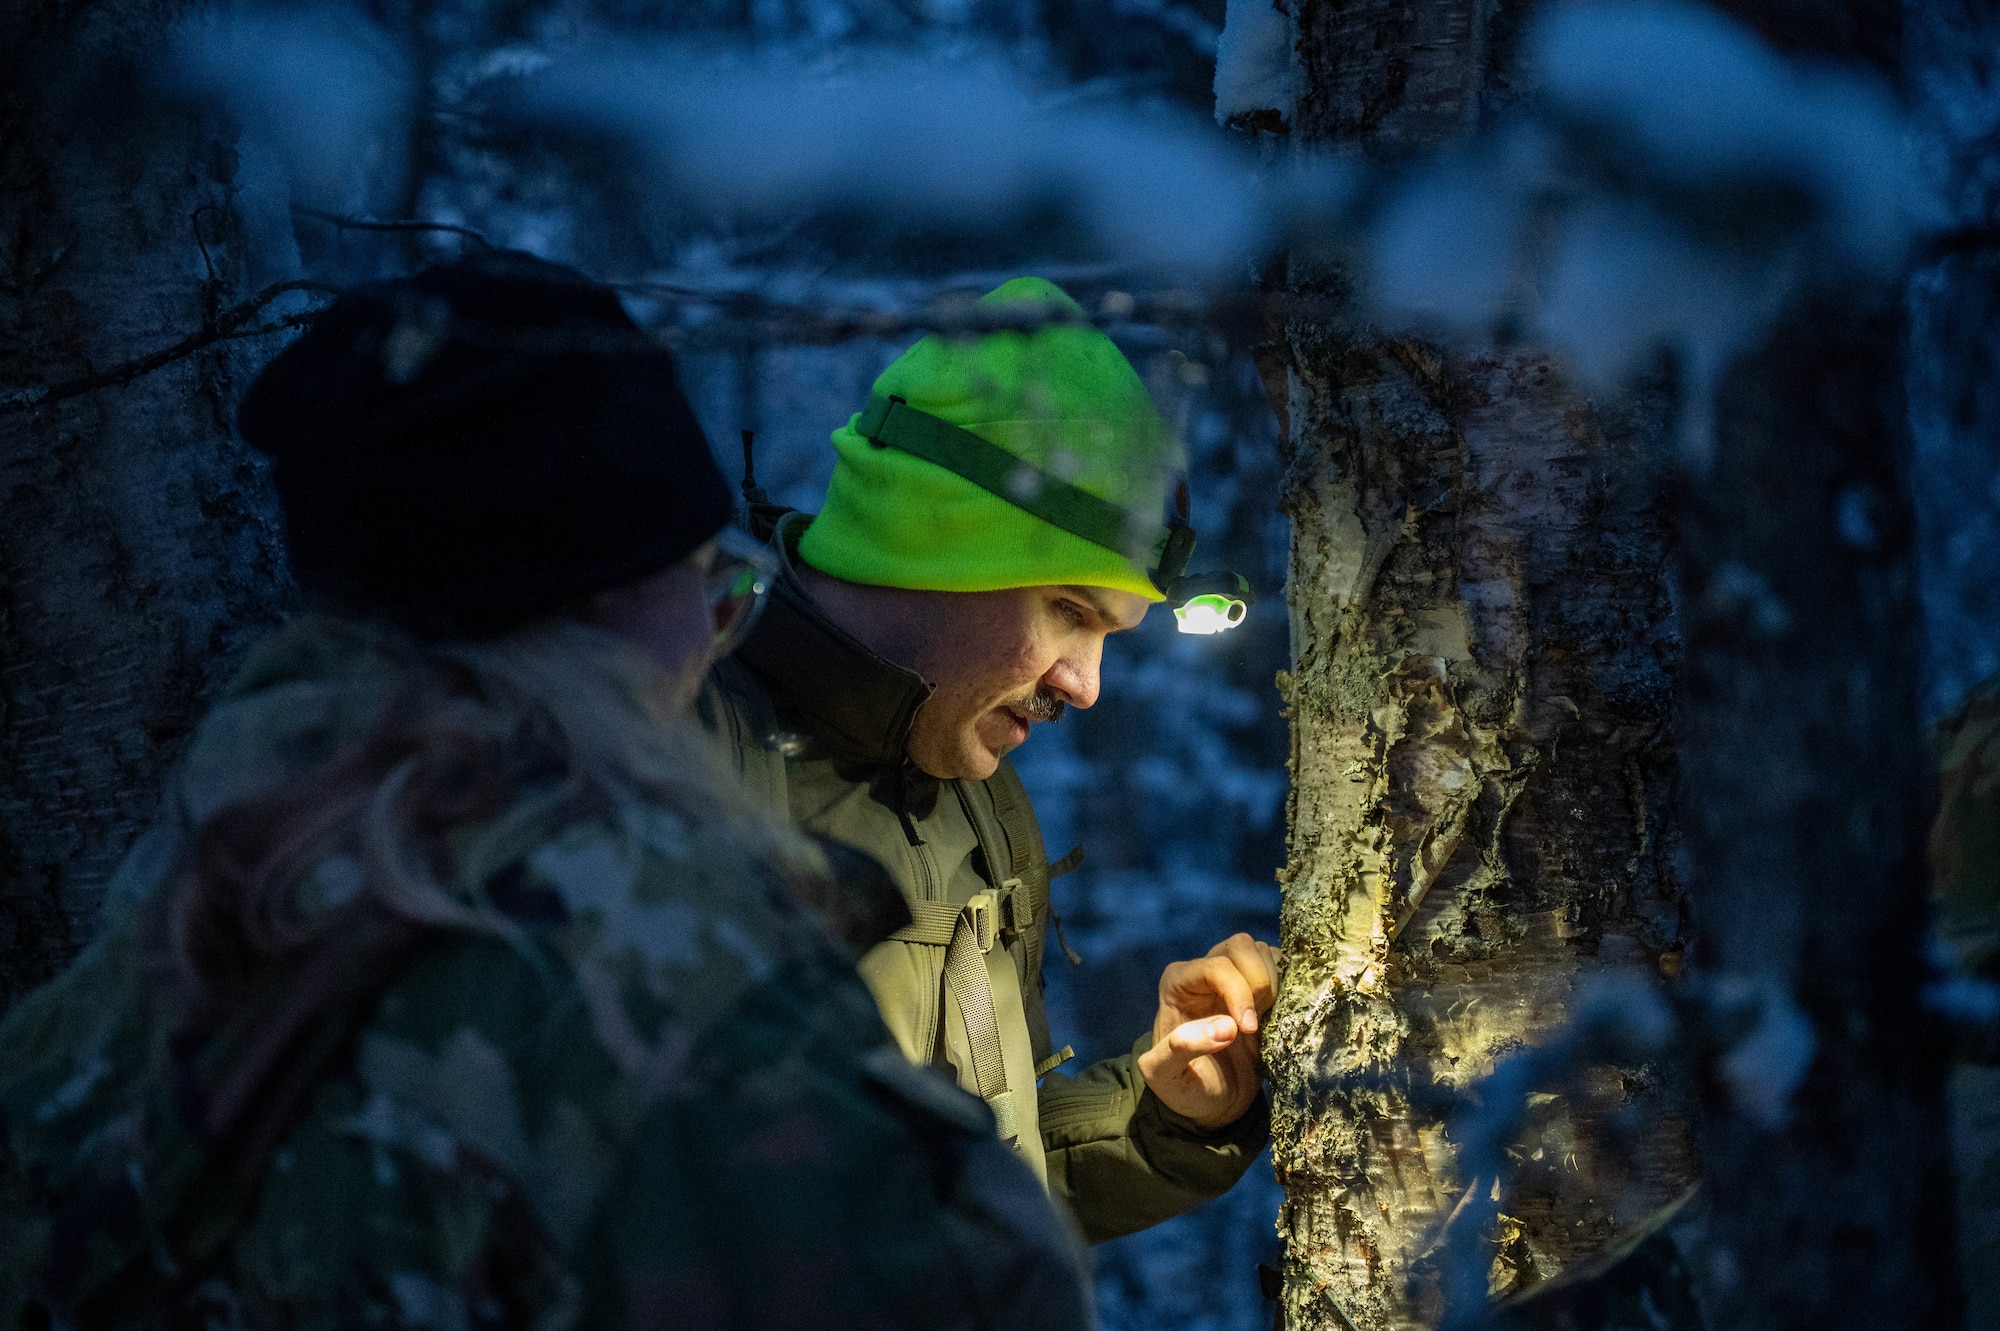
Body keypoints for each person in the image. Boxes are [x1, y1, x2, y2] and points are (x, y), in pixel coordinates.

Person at [0, 254, 1090, 1330]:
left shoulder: (181, 909)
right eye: (712, 584)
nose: (720, 633)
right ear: (609, 607)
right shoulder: (658, 945)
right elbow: (987, 1292)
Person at [702, 276, 1278, 1243]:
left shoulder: (979, 801)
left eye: (1112, 634)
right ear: (930, 547)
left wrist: (1167, 1113)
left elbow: (982, 1177)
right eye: (1069, 610)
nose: (1086, 685)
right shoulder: (675, 764)